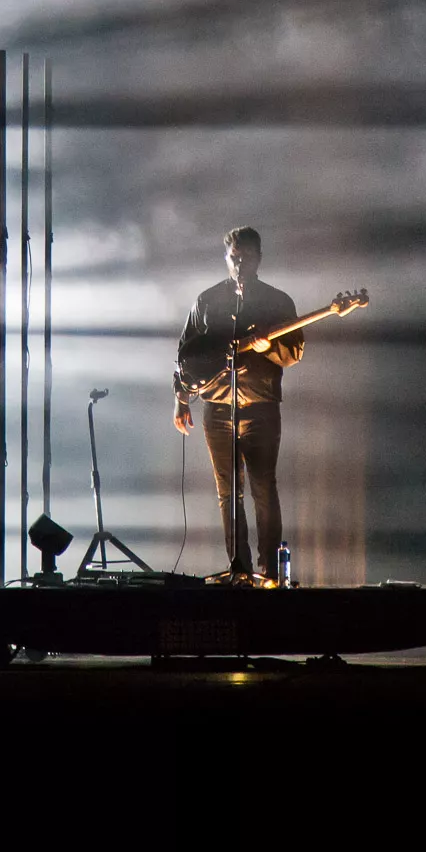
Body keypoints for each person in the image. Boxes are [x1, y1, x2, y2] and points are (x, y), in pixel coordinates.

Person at [173, 226, 305, 584]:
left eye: (246, 256)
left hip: (261, 406)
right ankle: (240, 569)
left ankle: (270, 570)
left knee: (264, 487)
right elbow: (186, 354)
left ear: (259, 258)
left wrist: (269, 347)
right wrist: (181, 398)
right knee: (228, 492)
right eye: (234, 256)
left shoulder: (277, 301)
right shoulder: (207, 300)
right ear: (226, 258)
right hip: (218, 406)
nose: (240, 262)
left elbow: (295, 351)